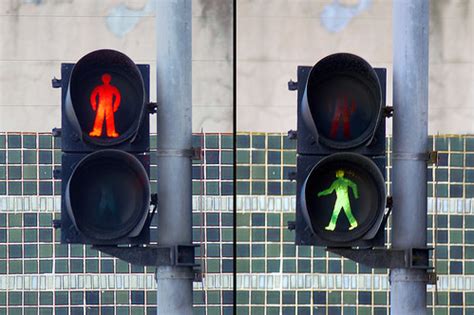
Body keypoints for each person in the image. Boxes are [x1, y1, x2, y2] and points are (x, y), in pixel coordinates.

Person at [89, 73, 121, 138]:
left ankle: (111, 132)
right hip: (101, 105)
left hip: (109, 105)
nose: (106, 80)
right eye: (105, 79)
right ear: (102, 79)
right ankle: (96, 132)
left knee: (110, 119)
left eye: (107, 79)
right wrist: (94, 104)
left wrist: (115, 105)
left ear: (109, 79)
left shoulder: (112, 88)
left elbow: (118, 96)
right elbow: (93, 95)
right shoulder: (99, 88)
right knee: (99, 118)